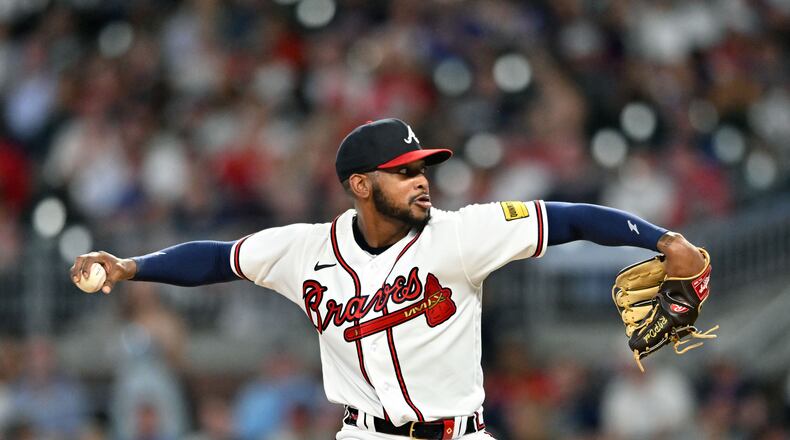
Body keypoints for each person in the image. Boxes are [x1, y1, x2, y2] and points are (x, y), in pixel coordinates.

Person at [71, 118, 706, 439]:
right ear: (362, 185)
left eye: (423, 166)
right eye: (404, 171)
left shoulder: (461, 234)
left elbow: (568, 217)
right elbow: (216, 259)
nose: (422, 178)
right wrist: (130, 267)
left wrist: (661, 239)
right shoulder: (304, 250)